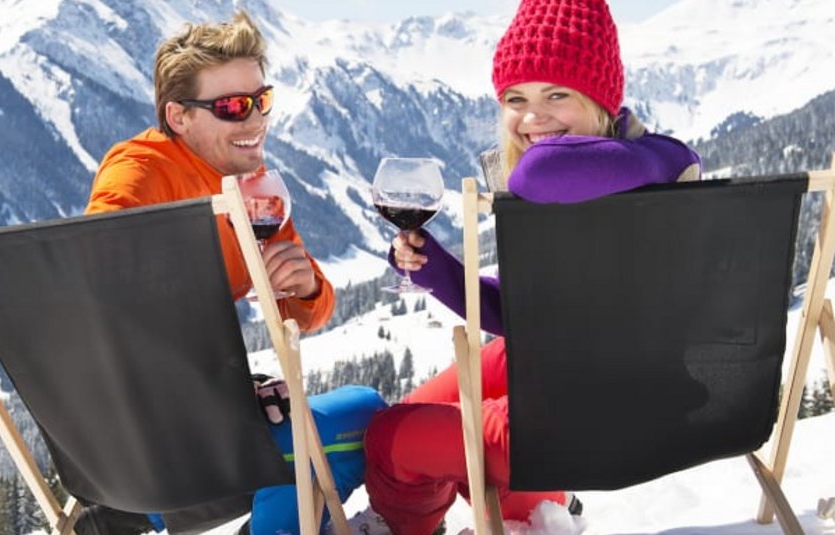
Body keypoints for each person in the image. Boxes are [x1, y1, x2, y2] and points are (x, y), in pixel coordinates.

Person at [359, 0, 702, 533]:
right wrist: (439, 271)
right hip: (571, 374)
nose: (531, 117)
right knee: (408, 411)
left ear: (602, 100)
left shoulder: (637, 165)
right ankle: (533, 506)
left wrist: (532, 155)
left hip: (606, 412)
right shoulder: (611, 167)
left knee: (389, 439)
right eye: (515, 99)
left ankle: (489, 516)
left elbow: (537, 173)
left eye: (557, 95)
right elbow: (524, 312)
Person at [82, 10, 386, 535]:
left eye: (260, 100)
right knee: (362, 420)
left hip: (197, 423)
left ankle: (133, 517)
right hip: (152, 437)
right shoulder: (141, 170)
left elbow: (313, 308)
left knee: (348, 419)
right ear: (179, 117)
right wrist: (218, 392)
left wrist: (304, 287)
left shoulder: (254, 185)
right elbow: (95, 274)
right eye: (231, 107)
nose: (254, 121)